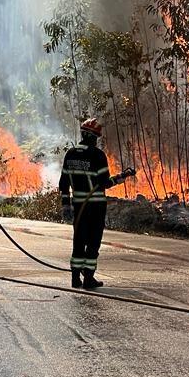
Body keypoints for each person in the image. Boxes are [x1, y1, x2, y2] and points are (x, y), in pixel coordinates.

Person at [59, 118, 136, 289]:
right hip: (95, 207)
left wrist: (66, 206)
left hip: (78, 206)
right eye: (96, 138)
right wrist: (123, 176)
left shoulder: (70, 154)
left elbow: (63, 183)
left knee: (78, 241)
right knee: (93, 242)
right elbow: (104, 183)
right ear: (93, 137)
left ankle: (75, 278)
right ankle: (88, 278)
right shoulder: (97, 155)